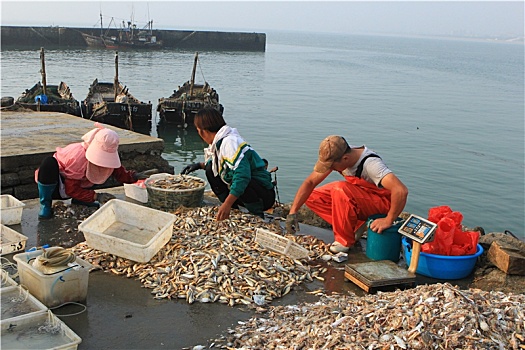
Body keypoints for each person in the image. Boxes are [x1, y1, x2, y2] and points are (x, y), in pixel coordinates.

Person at [285, 135, 408, 253]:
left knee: (340, 189)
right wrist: (293, 212)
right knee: (312, 196)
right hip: (361, 196)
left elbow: (400, 190)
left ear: (345, 159)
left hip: (382, 203)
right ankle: (354, 226)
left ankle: (344, 242)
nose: (331, 169)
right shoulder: (339, 153)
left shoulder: (372, 165)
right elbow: (310, 182)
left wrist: (388, 219)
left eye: (332, 166)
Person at [35, 122, 150, 220]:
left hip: (78, 187)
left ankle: (80, 200)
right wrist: (96, 196)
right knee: (48, 163)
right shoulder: (78, 156)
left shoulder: (109, 157)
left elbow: (118, 171)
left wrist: (133, 176)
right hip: (57, 186)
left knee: (98, 170)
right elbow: (71, 189)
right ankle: (45, 204)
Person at [181, 108, 275, 220]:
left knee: (241, 180)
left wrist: (227, 204)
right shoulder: (219, 142)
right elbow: (219, 165)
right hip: (252, 191)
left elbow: (242, 176)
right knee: (210, 170)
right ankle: (235, 209)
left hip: (263, 195)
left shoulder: (229, 142)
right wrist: (199, 165)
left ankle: (256, 214)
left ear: (202, 131)